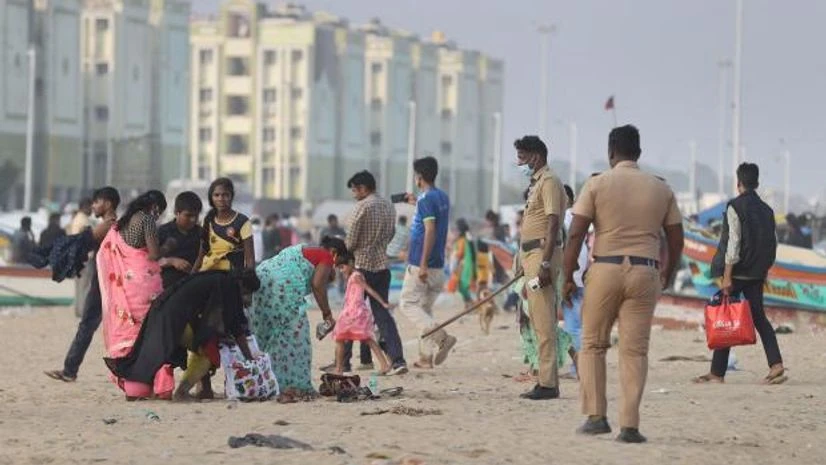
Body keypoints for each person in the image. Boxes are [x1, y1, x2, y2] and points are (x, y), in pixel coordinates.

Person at [563, 125, 684, 443]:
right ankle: (630, 426)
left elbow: (575, 233)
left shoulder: (596, 184)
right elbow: (676, 237)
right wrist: (668, 271)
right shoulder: (661, 188)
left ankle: (596, 417)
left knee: (592, 344)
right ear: (639, 154)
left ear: (611, 152)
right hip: (645, 271)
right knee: (634, 351)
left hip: (605, 269)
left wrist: (566, 277)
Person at [104, 269, 259, 402]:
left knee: (149, 356)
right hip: (175, 318)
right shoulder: (229, 286)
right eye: (246, 293)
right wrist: (250, 359)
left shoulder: (220, 277)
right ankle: (182, 392)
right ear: (242, 285)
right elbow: (236, 327)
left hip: (162, 310)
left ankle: (137, 390)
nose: (246, 298)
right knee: (208, 355)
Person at [694, 163, 785, 385]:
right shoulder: (767, 210)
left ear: (739, 183)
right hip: (756, 274)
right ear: (757, 183)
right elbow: (771, 244)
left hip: (738, 273)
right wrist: (765, 269)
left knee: (725, 316)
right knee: (759, 319)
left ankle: (717, 373)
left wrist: (727, 276)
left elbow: (733, 243)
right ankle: (776, 364)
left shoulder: (735, 207)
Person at [249, 236, 347, 398]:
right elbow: (317, 285)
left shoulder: (303, 251)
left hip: (261, 281)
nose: (335, 267)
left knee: (269, 336)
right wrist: (327, 315)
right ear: (334, 253)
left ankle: (268, 383)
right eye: (338, 263)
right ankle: (297, 385)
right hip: (284, 289)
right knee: (298, 341)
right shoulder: (326, 256)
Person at [44, 187, 121, 383]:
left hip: (102, 283)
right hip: (108, 281)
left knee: (87, 325)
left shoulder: (107, 225)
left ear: (108, 203)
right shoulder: (116, 224)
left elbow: (83, 243)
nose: (93, 206)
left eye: (97, 202)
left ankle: (70, 370)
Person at [97, 190, 168, 399]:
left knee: (130, 333)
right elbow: (154, 254)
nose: (159, 216)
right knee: (150, 332)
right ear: (155, 207)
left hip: (126, 285)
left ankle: (131, 384)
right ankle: (155, 383)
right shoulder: (146, 220)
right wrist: (169, 250)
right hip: (145, 282)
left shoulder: (124, 222)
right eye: (160, 212)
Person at [513, 135, 565, 401]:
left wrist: (544, 263)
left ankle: (548, 383)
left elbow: (553, 222)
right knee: (537, 318)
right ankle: (545, 380)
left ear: (535, 156)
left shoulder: (550, 182)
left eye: (522, 157)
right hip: (532, 255)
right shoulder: (536, 184)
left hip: (542, 254)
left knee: (544, 321)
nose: (519, 163)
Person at [339, 171, 406, 375]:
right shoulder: (388, 206)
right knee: (382, 315)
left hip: (361, 266)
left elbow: (350, 242)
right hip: (382, 267)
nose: (353, 195)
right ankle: (397, 360)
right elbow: (392, 234)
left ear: (363, 188)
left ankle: (344, 361)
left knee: (350, 313)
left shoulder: (361, 207)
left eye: (354, 190)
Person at [398, 156, 455, 369]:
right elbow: (433, 219)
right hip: (439, 264)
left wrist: (422, 264)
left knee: (408, 304)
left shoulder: (425, 200)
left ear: (419, 177)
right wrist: (415, 201)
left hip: (424, 264)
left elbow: (430, 230)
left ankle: (442, 338)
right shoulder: (441, 197)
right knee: (424, 309)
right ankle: (424, 357)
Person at [332, 252, 391, 375]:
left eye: (342, 267)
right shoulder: (352, 276)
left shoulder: (356, 276)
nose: (342, 271)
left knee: (345, 338)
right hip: (350, 312)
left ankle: (339, 369)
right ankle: (339, 368)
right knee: (352, 338)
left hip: (355, 313)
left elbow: (369, 290)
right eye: (339, 269)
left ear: (351, 264)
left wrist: (383, 302)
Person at [195, 177, 255, 273]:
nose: (221, 199)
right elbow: (201, 254)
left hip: (232, 275)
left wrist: (249, 279)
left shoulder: (242, 222)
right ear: (211, 198)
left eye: (225, 195)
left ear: (232, 196)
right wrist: (190, 277)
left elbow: (250, 259)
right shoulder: (207, 221)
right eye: (216, 195)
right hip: (207, 273)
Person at [561, 184, 588, 379]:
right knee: (576, 324)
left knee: (573, 325)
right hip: (577, 276)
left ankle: (578, 368)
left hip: (569, 278)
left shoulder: (564, 218)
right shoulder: (577, 218)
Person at [157, 191, 203, 289]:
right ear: (176, 212)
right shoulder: (162, 232)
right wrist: (171, 261)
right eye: (188, 215)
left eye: (196, 216)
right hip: (167, 286)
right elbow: (148, 262)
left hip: (194, 285)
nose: (193, 220)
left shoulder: (202, 234)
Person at [67, 198, 95, 317]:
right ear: (86, 206)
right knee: (85, 285)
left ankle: (78, 310)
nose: (92, 210)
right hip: (85, 257)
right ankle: (83, 311)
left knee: (79, 286)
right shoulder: (84, 221)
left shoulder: (76, 219)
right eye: (91, 207)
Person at [449, 218, 477, 305]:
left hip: (463, 266)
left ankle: (470, 303)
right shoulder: (467, 238)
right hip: (468, 265)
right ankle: (469, 303)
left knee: (463, 286)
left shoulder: (462, 240)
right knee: (463, 286)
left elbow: (460, 253)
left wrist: (454, 262)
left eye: (457, 229)